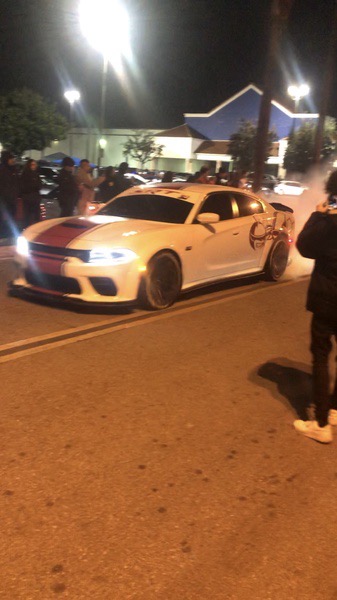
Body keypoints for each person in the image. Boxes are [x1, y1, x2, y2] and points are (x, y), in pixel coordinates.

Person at [294, 170, 337, 443]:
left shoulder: (330, 221)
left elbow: (304, 246)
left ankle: (320, 424)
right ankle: (334, 409)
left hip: (328, 298)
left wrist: (319, 215)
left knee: (320, 355)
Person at [0, 150, 19, 237]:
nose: (13, 160)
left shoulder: (14, 170)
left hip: (12, 200)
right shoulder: (2, 170)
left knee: (11, 218)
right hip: (4, 201)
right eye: (10, 159)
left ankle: (9, 233)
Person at [20, 159, 42, 228]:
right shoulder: (25, 175)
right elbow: (24, 187)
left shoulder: (36, 174)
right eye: (32, 164)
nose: (34, 166)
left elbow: (39, 185)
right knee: (27, 216)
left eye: (35, 164)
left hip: (35, 198)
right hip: (28, 198)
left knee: (36, 216)